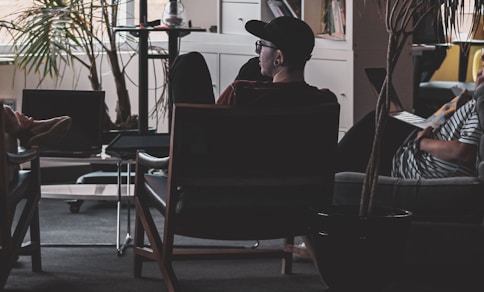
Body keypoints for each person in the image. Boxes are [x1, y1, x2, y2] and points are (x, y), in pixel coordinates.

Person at [337, 64, 484, 179]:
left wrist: (422, 142)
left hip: (411, 161)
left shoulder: (481, 106)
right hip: (419, 145)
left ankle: (328, 176)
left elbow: (464, 152)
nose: (481, 70)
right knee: (385, 117)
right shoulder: (478, 101)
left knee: (373, 124)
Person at [169, 16, 338, 108]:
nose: (257, 51)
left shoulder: (240, 93)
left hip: (230, 170)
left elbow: (212, 129)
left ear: (279, 58)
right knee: (254, 65)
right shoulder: (325, 101)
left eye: (261, 46)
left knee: (188, 63)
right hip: (299, 171)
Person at [3, 104, 71, 184]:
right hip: (6, 178)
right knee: (4, 111)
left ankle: (26, 131)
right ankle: (26, 130)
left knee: (5, 114)